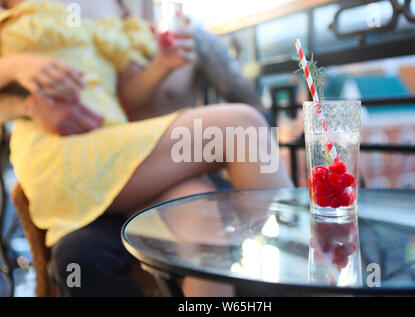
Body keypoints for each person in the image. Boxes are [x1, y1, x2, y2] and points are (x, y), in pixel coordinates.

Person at [0, 0, 292, 296]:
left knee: (199, 213)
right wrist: (16, 68)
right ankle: (304, 272)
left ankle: (282, 274)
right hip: (62, 154)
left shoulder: (109, 12)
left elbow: (125, 95)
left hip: (119, 149)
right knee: (243, 127)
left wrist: (163, 64)